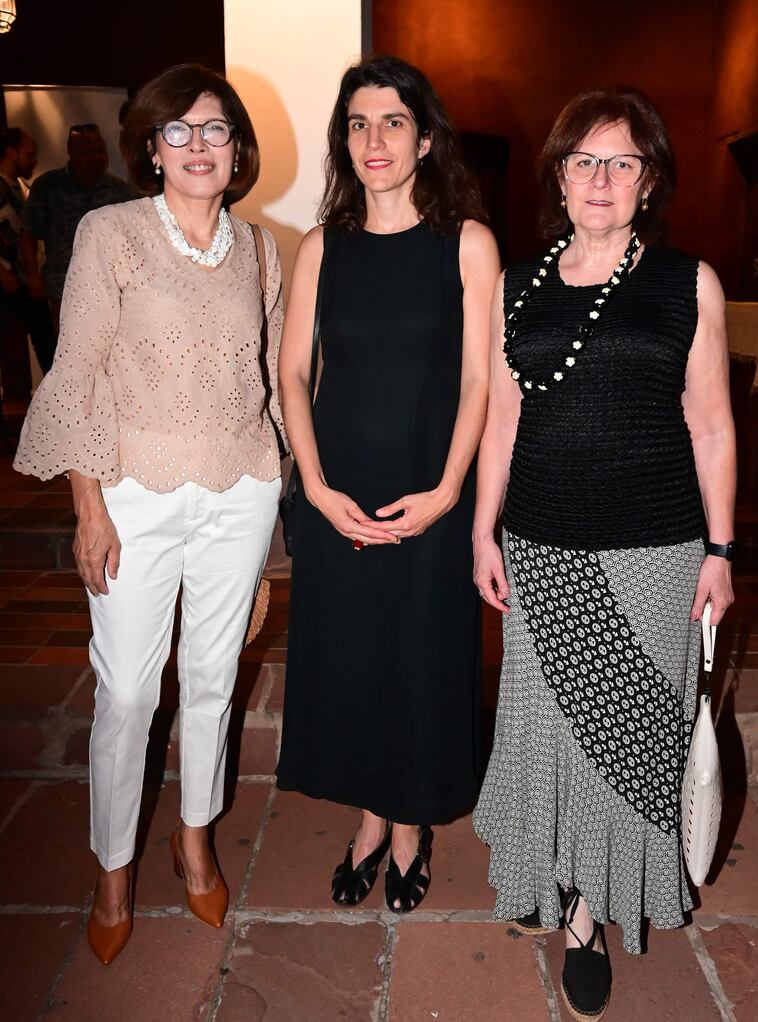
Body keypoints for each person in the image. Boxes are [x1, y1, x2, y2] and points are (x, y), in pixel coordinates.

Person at [472, 86, 736, 1021]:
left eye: (622, 162)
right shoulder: (519, 283)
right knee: (551, 736)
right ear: (558, 174)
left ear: (649, 180)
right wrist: (483, 531)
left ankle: (590, 911)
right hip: (543, 546)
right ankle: (555, 877)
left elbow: (710, 427)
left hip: (656, 553)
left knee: (626, 746)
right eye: (583, 159)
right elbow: (501, 422)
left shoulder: (685, 282)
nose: (600, 178)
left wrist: (720, 548)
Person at [13, 63, 285, 964]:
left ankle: (196, 837)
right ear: (151, 148)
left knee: (211, 678)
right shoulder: (111, 232)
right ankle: (113, 866)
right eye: (180, 131)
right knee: (130, 690)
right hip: (133, 490)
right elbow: (77, 369)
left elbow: (272, 385)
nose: (199, 145)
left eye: (216, 130)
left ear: (238, 150)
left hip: (239, 491)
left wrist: (277, 522)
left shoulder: (260, 249)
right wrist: (89, 508)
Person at [276, 55, 499, 913]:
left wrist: (448, 491)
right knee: (358, 656)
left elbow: (481, 382)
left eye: (393, 122)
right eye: (358, 123)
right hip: (339, 490)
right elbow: (294, 374)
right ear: (345, 139)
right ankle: (371, 819)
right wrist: (317, 486)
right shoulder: (322, 246)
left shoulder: (468, 243)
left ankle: (410, 827)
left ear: (426, 137)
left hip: (428, 488)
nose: (374, 140)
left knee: (420, 657)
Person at [20, 123, 132, 333]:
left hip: (109, 287)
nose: (96, 158)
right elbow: (28, 232)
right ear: (71, 153)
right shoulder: (48, 186)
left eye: (100, 151)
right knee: (69, 351)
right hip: (64, 286)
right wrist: (32, 276)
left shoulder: (118, 190)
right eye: (88, 153)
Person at [0, 127, 58, 374]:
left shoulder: (20, 188)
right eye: (29, 154)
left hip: (23, 280)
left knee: (47, 343)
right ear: (10, 152)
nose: (34, 161)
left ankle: (57, 403)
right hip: (6, 280)